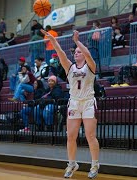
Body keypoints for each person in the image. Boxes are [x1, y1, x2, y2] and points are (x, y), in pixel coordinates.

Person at [41, 29, 100, 179]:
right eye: (75, 52)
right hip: (74, 103)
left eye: (79, 52)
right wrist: (52, 40)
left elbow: (88, 54)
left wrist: (77, 41)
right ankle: (72, 163)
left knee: (90, 136)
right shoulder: (70, 67)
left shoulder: (90, 66)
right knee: (70, 136)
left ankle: (95, 164)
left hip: (88, 102)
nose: (76, 53)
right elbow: (60, 53)